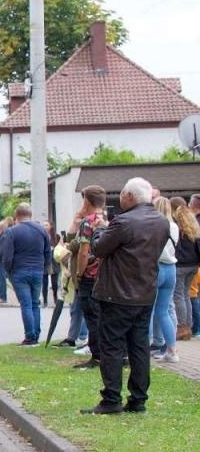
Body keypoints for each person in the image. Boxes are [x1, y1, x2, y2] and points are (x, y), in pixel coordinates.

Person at [82, 177, 168, 414]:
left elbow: (99, 249)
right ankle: (138, 399)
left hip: (117, 293)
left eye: (121, 194)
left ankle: (111, 399)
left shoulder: (123, 222)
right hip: (145, 291)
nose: (120, 198)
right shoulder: (161, 221)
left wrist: (100, 228)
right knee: (139, 346)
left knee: (112, 346)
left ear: (130, 196)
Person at [0, 202, 52, 345]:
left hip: (19, 271)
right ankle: (36, 335)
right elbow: (47, 252)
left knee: (26, 304)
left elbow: (7, 255)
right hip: (37, 270)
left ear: (17, 216)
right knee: (35, 304)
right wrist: (43, 268)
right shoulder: (41, 230)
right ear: (30, 215)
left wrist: (9, 271)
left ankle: (30, 336)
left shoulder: (12, 231)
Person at [69, 186, 109, 368]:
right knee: (103, 316)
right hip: (104, 275)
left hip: (90, 276)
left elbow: (84, 251)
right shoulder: (106, 219)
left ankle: (97, 356)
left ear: (86, 201)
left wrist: (79, 272)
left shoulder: (88, 222)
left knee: (92, 317)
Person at [148, 197, 180, 363]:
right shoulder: (174, 226)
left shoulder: (154, 226)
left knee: (147, 310)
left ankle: (143, 348)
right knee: (164, 311)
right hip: (171, 268)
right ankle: (172, 350)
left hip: (156, 267)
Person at [174, 202, 200, 342]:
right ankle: (188, 326)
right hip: (193, 265)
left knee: (178, 296)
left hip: (180, 266)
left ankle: (181, 327)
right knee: (187, 295)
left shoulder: (177, 230)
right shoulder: (195, 229)